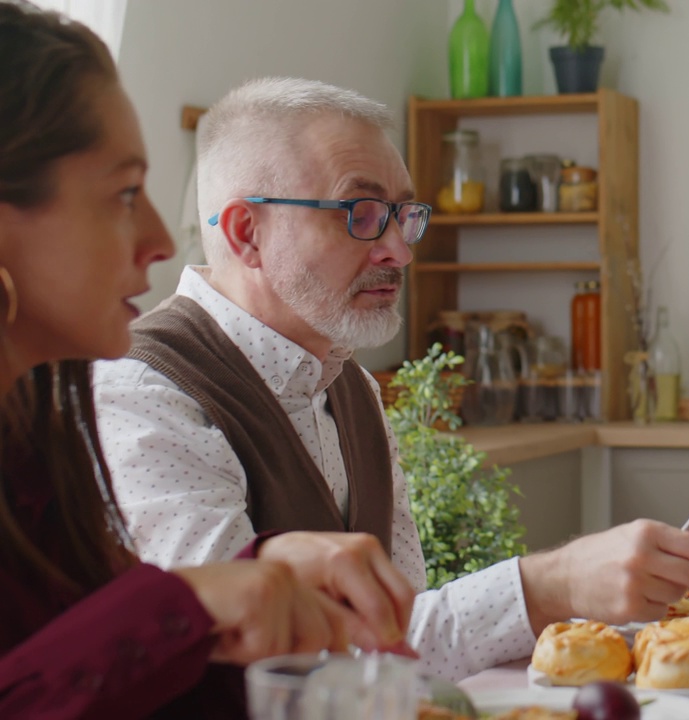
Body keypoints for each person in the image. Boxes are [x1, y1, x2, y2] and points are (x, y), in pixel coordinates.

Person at [92, 76, 689, 681]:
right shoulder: (142, 395)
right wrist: (549, 585)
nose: (398, 248)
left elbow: (400, 640)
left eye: (404, 215)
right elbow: (230, 675)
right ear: (245, 232)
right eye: (361, 212)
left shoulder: (354, 390)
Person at [0, 4, 419, 718]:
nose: (163, 240)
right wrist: (190, 606)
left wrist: (255, 586)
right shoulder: (132, 389)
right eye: (125, 194)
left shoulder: (44, 438)